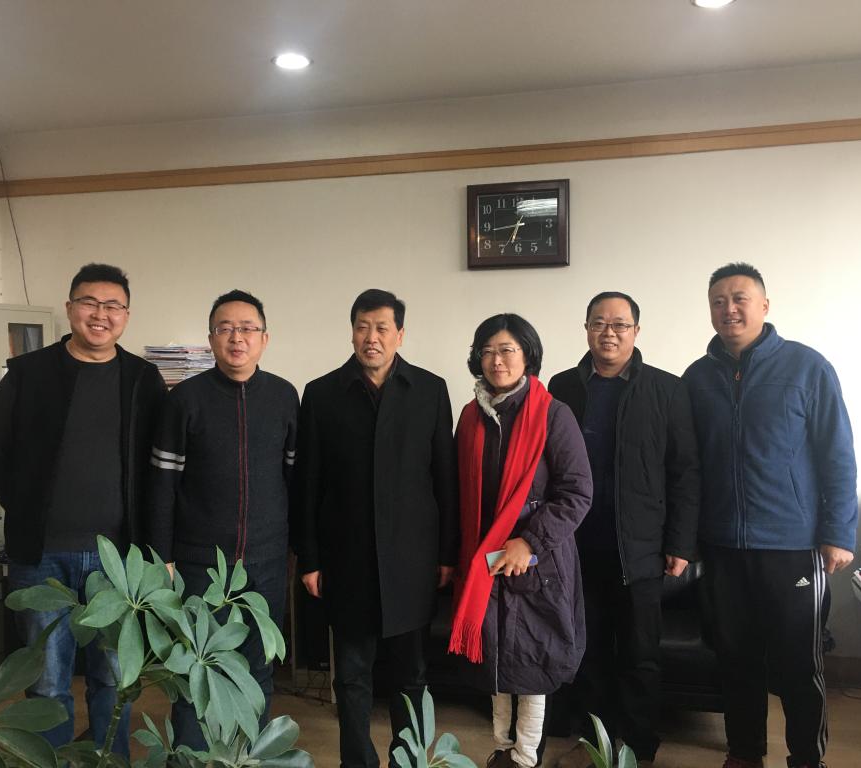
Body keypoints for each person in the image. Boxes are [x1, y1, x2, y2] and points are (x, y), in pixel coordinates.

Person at [0, 263, 165, 756]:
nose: (100, 314)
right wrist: (30, 509)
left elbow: (157, 466)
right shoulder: (28, 374)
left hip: (117, 562)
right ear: (69, 308)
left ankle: (110, 762)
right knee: (46, 683)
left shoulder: (143, 379)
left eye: (113, 305)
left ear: (126, 315)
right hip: (41, 556)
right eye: (89, 302)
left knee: (114, 679)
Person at [682, 263, 857, 768]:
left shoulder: (807, 368)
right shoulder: (696, 378)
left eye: (739, 298)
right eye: (718, 301)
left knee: (799, 664)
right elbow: (688, 466)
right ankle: (743, 753)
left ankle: (807, 758)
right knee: (735, 658)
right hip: (722, 545)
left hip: (792, 546)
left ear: (764, 305)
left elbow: (837, 454)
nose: (729, 309)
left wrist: (838, 532)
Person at [295, 289, 458, 768]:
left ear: (400, 334)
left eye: (382, 328)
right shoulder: (321, 394)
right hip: (347, 559)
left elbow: (445, 480)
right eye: (363, 327)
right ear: (352, 332)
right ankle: (357, 761)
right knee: (351, 675)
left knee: (412, 675)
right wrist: (310, 558)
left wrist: (447, 555)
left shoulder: (429, 390)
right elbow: (307, 483)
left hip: (412, 559)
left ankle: (409, 760)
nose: (372, 337)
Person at [548, 292, 700, 768]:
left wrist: (680, 542)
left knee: (640, 655)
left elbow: (685, 471)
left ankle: (637, 748)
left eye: (619, 324)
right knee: (586, 652)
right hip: (578, 547)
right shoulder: (562, 386)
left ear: (636, 331)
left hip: (642, 549)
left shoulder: (666, 389)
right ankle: (594, 742)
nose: (608, 333)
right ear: (586, 329)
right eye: (599, 323)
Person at [148, 289, 298, 748]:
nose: (237, 338)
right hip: (199, 564)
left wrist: (295, 549)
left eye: (247, 328)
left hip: (266, 563)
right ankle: (190, 758)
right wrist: (162, 557)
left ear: (265, 338)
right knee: (195, 671)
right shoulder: (184, 399)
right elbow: (161, 486)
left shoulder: (284, 396)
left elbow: (294, 479)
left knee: (258, 669)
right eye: (225, 328)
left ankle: (250, 756)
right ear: (211, 338)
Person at [448, 313, 592, 768]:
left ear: (527, 355)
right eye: (488, 351)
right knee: (496, 660)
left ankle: (526, 755)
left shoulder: (553, 414)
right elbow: (457, 490)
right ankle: (501, 749)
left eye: (507, 350)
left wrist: (528, 542)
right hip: (485, 561)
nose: (497, 360)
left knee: (532, 663)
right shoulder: (470, 416)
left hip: (538, 564)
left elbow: (576, 493)